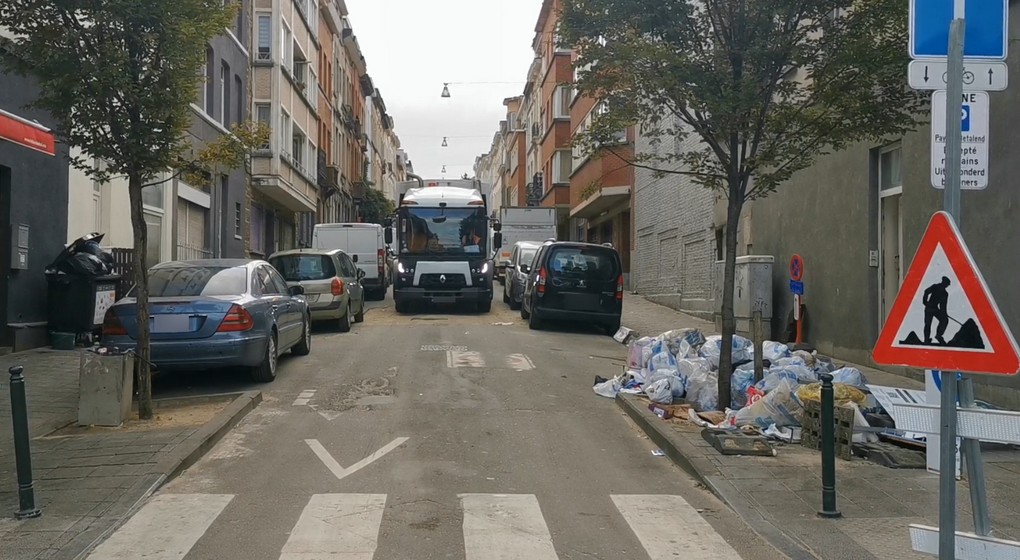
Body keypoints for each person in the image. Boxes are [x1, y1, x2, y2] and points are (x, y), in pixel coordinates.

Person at [923, 276, 951, 345]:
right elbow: (926, 291)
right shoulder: (935, 287)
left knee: (944, 320)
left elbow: (943, 305)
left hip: (935, 309)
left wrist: (944, 313)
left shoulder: (945, 293)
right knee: (928, 324)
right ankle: (926, 339)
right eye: (946, 284)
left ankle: (938, 335)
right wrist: (925, 302)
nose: (946, 286)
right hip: (929, 308)